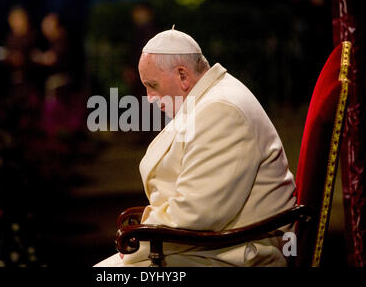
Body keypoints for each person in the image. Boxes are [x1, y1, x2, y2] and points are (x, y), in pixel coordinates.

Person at [94, 27, 296, 267]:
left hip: (232, 253)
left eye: (152, 85)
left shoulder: (221, 109)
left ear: (182, 75)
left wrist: (142, 235)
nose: (148, 96)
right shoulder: (208, 100)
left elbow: (197, 215)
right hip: (206, 245)